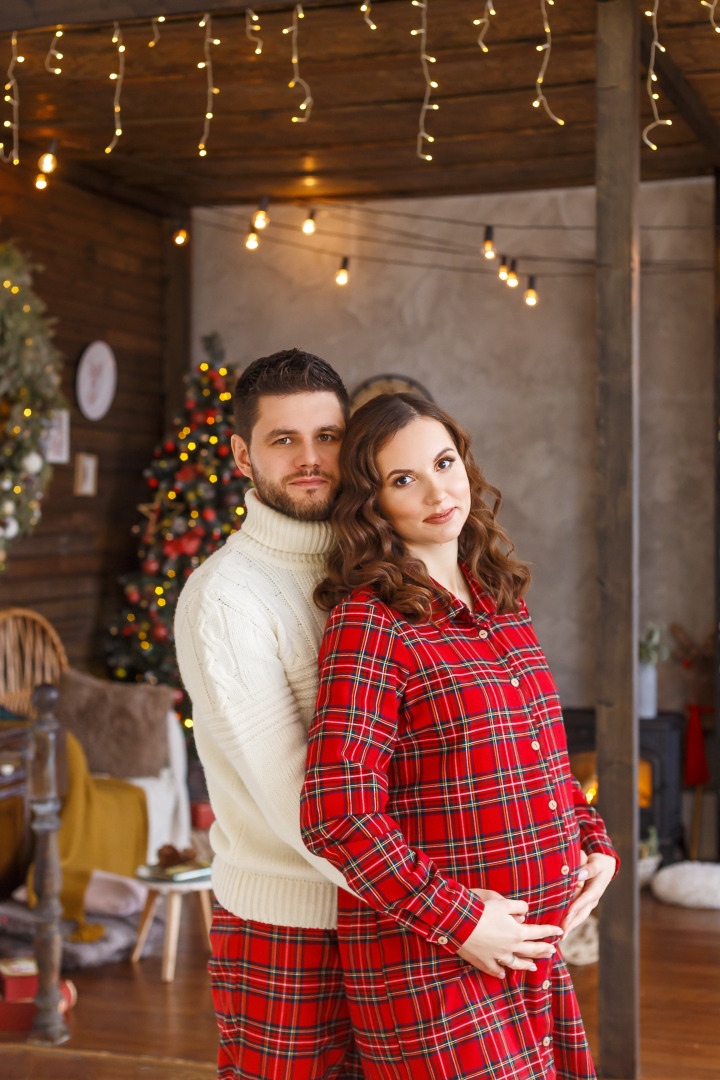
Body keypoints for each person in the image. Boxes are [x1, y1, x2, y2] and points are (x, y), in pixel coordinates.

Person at [300, 392, 619, 1080]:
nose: (439, 491)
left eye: (445, 463)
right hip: (435, 966)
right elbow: (336, 813)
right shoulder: (370, 623)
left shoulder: (500, 599)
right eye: (403, 479)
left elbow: (537, 757)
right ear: (372, 502)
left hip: (530, 953)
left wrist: (593, 841)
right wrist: (462, 921)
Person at [174, 348, 365, 1080]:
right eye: (283, 440)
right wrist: (448, 905)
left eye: (328, 436)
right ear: (241, 456)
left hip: (386, 915)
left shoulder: (374, 565)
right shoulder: (225, 597)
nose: (311, 459)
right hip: (287, 926)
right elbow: (300, 800)